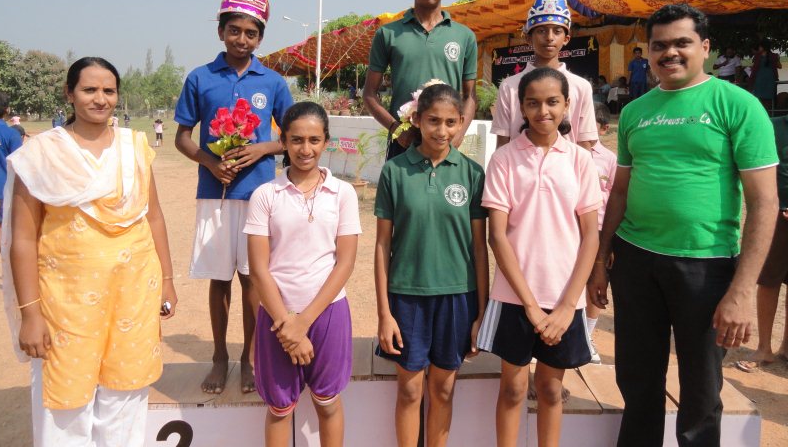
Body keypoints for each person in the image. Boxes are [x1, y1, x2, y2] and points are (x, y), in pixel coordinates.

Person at [587, 4, 778, 447]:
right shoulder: (635, 112)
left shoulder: (738, 106)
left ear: (705, 47)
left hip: (706, 266)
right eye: (659, 45)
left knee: (701, 394)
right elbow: (619, 192)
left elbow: (764, 202)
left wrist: (741, 291)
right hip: (635, 262)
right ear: (649, 52)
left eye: (682, 43)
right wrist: (601, 261)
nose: (669, 53)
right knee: (638, 383)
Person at [4, 57, 177, 447]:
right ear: (69, 93)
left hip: (133, 293)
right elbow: (24, 238)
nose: (101, 99)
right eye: (89, 90)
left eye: (109, 91)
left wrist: (167, 280)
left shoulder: (134, 147)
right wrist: (30, 314)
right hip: (65, 301)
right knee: (66, 398)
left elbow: (153, 217)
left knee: (126, 393)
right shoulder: (42, 154)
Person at [174, 0, 293, 395]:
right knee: (219, 278)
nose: (242, 39)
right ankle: (220, 357)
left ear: (261, 38)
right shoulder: (200, 78)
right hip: (216, 195)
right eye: (235, 30)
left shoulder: (273, 82)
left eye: (251, 33)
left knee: (253, 281)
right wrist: (210, 163)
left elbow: (292, 137)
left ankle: (250, 359)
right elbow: (182, 138)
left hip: (260, 194)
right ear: (221, 31)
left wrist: (263, 149)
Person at [477, 67, 601, 447]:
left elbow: (590, 236)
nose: (543, 111)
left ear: (567, 105)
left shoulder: (580, 160)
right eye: (533, 103)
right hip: (514, 296)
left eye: (552, 102)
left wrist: (566, 306)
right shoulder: (504, 159)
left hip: (564, 297)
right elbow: (497, 235)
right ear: (521, 107)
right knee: (513, 388)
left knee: (549, 388)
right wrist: (530, 306)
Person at [374, 83, 488, 447]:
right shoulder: (394, 171)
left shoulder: (472, 173)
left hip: (457, 297)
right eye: (433, 121)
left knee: (443, 390)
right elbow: (382, 245)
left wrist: (481, 313)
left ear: (460, 123)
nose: (442, 130)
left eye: (451, 122)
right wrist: (384, 313)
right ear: (417, 120)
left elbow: (480, 248)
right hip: (406, 297)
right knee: (409, 391)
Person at [245, 102, 360, 447]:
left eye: (314, 140)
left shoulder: (343, 193)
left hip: (328, 312)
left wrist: (303, 322)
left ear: (326, 141)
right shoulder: (265, 195)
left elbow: (345, 262)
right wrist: (287, 324)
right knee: (280, 408)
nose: (305, 149)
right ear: (283, 141)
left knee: (328, 402)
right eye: (296, 140)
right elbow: (258, 268)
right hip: (276, 316)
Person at [364, 0, 478, 160]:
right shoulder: (388, 34)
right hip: (403, 146)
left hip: (447, 144)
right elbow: (369, 94)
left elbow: (470, 96)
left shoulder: (464, 37)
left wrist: (458, 134)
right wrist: (396, 130)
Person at [491, 0, 597, 150]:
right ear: (528, 38)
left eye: (557, 31)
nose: (549, 37)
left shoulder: (581, 87)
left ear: (566, 39)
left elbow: (584, 142)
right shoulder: (509, 87)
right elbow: (503, 143)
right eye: (541, 31)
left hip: (567, 166)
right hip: (519, 165)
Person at [735, 113, 788, 372]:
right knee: (769, 281)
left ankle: (786, 348)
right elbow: (759, 167)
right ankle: (764, 348)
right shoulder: (773, 126)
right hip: (776, 216)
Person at [585, 102, 617, 364]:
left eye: (591, 124)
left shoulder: (610, 160)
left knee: (596, 283)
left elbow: (616, 197)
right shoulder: (567, 153)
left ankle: (586, 336)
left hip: (598, 231)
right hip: (571, 230)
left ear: (604, 129)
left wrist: (611, 240)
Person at [0, 90, 23, 266]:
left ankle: (9, 272)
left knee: (2, 236)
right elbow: (20, 166)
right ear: (7, 110)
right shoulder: (11, 135)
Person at [749, 38, 782, 111]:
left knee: (759, 100)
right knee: (768, 102)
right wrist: (777, 59)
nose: (759, 48)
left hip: (760, 80)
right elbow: (780, 66)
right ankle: (769, 115)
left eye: (760, 46)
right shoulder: (774, 56)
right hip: (770, 80)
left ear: (763, 47)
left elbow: (754, 69)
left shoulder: (757, 56)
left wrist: (751, 80)